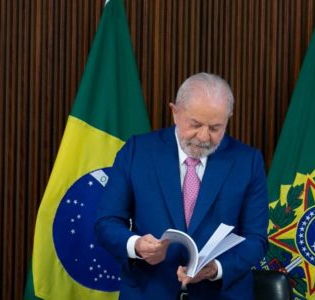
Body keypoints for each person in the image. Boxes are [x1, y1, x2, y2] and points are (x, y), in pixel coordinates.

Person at [95, 72, 269, 300]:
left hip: (220, 294)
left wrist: (216, 268)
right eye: (195, 124)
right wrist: (136, 245)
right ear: (175, 112)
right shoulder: (137, 151)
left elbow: (256, 239)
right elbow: (106, 221)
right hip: (149, 291)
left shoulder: (248, 161)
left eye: (216, 128)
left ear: (229, 118)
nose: (204, 137)